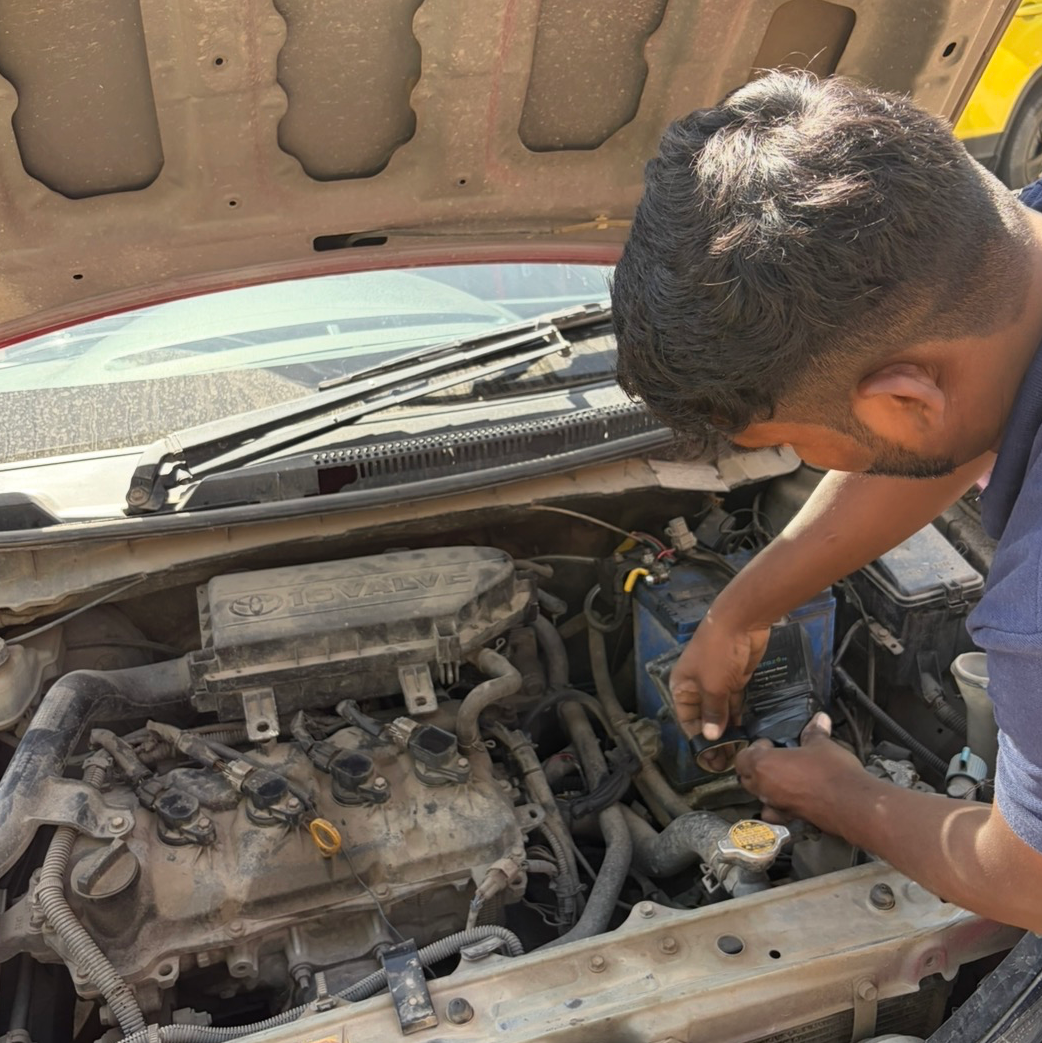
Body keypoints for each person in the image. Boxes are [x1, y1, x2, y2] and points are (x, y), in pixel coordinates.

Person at [610, 70, 1042, 931]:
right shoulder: (1009, 259)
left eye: (798, 445)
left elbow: (1028, 879)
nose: (804, 463)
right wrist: (738, 612)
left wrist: (842, 793)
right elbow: (943, 428)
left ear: (905, 400)